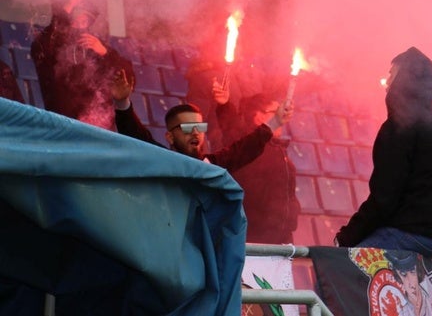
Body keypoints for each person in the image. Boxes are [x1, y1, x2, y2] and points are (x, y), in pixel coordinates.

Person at [335, 47, 432, 259]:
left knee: (341, 271)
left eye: (391, 75)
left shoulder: (399, 126)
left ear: (403, 80)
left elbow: (384, 197)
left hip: (419, 235)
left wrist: (346, 238)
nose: (386, 84)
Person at [111, 69, 294, 173]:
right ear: (170, 137)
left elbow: (246, 147)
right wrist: (122, 103)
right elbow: (136, 135)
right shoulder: (164, 161)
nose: (195, 132)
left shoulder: (213, 165)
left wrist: (275, 122)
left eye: (199, 126)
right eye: (187, 127)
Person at [30, 0, 134, 130]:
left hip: (100, 127)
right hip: (64, 126)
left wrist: (104, 52)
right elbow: (42, 46)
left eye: (84, 21)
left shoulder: (99, 49)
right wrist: (69, 4)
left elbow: (127, 78)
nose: (80, 26)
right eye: (75, 20)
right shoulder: (51, 46)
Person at [212, 81, 300, 244]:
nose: (283, 116)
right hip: (253, 240)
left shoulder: (279, 151)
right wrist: (225, 106)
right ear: (258, 116)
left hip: (281, 242)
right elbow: (233, 132)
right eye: (275, 111)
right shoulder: (248, 146)